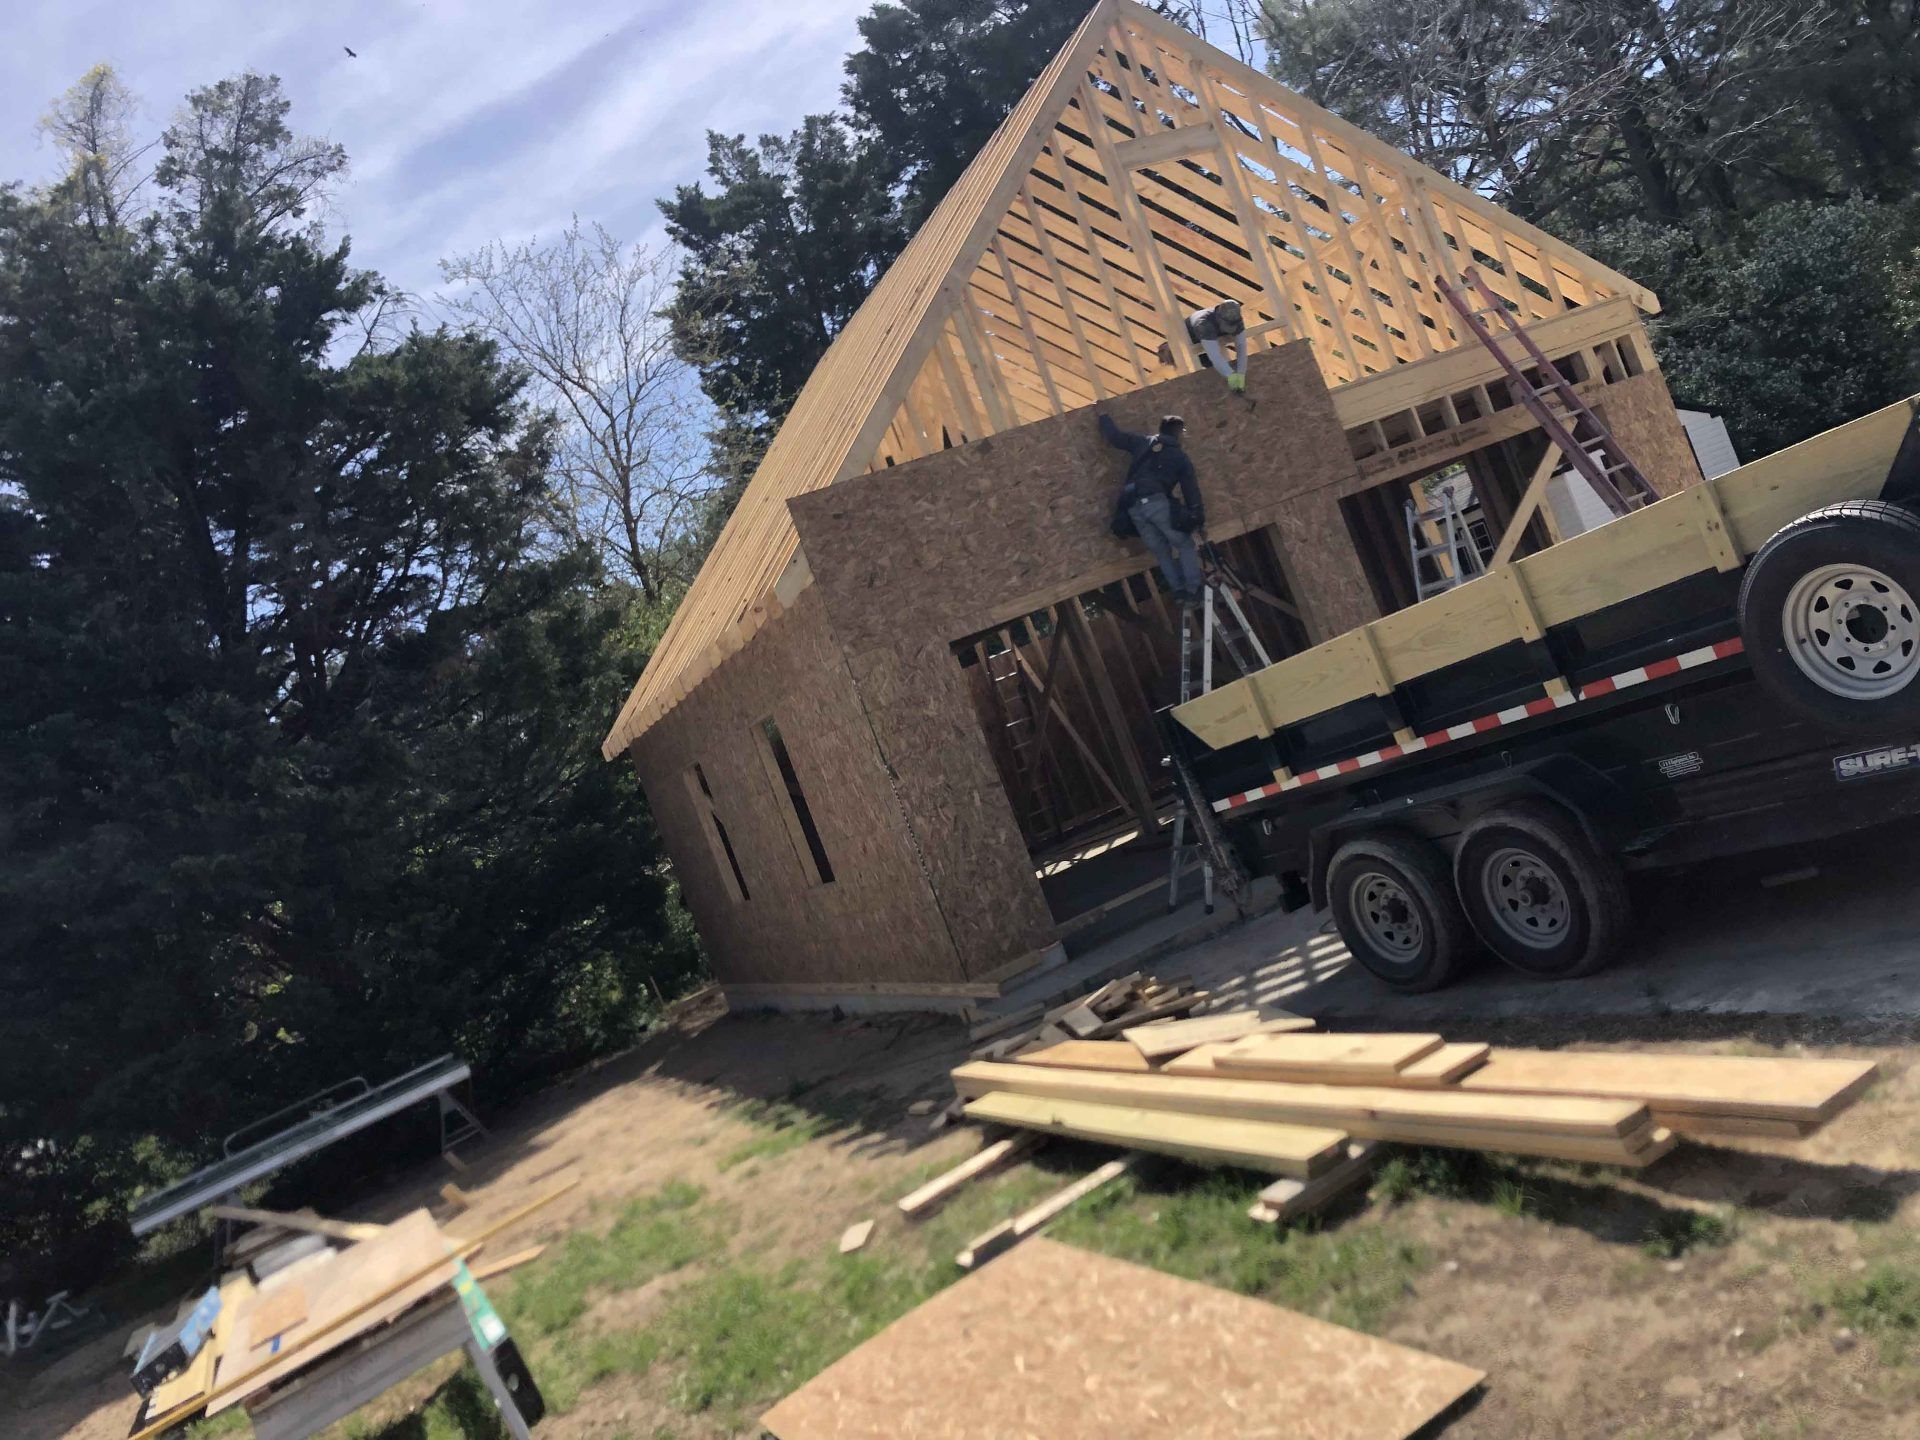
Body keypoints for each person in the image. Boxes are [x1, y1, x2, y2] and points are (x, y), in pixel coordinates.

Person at [1100, 410, 1205, 603]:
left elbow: (1115, 438)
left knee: (1161, 551)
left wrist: (1103, 415)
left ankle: (1179, 591)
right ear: (1179, 432)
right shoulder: (1180, 457)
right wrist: (1197, 517)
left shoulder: (1143, 443)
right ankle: (1193, 589)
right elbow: (1191, 490)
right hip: (1156, 502)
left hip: (1133, 507)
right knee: (1184, 544)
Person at [1186, 299, 1249, 392]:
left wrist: (1241, 374)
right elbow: (1214, 356)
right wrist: (1231, 376)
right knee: (1209, 373)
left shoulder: (1237, 320)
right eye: (1226, 325)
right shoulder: (1204, 324)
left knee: (1224, 368)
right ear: (1219, 318)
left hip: (1214, 335)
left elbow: (1242, 348)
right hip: (1193, 339)